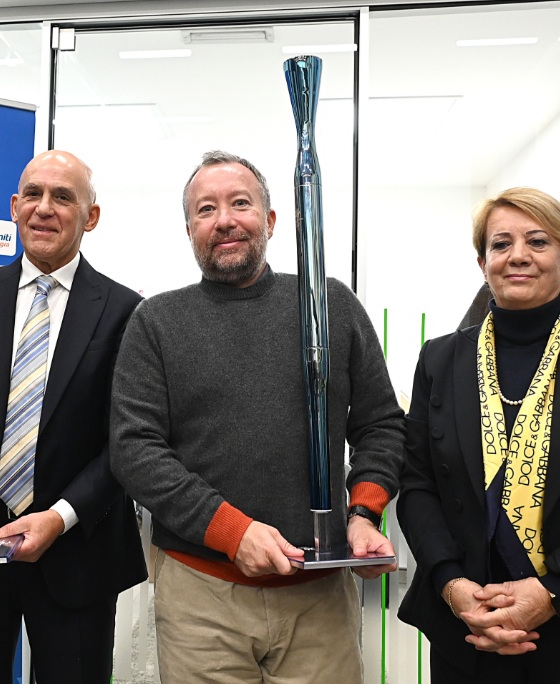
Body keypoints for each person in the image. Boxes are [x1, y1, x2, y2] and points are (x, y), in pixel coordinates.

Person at [110, 150, 405, 683]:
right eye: (206, 209)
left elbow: (381, 424)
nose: (224, 220)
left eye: (240, 204)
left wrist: (364, 514)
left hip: (320, 598)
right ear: (189, 230)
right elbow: (135, 450)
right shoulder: (155, 321)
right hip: (201, 601)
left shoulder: (331, 305)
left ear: (269, 220)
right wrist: (231, 530)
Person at [0, 149, 147, 683]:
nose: (44, 208)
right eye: (33, 195)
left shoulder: (126, 311)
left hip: (76, 548)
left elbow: (128, 440)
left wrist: (61, 516)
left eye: (62, 197)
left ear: (91, 216)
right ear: (14, 207)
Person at [397, 187, 560, 683]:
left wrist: (554, 592)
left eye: (538, 241)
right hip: (469, 626)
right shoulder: (440, 360)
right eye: (501, 244)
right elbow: (417, 485)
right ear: (483, 264)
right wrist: (452, 586)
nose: (518, 255)